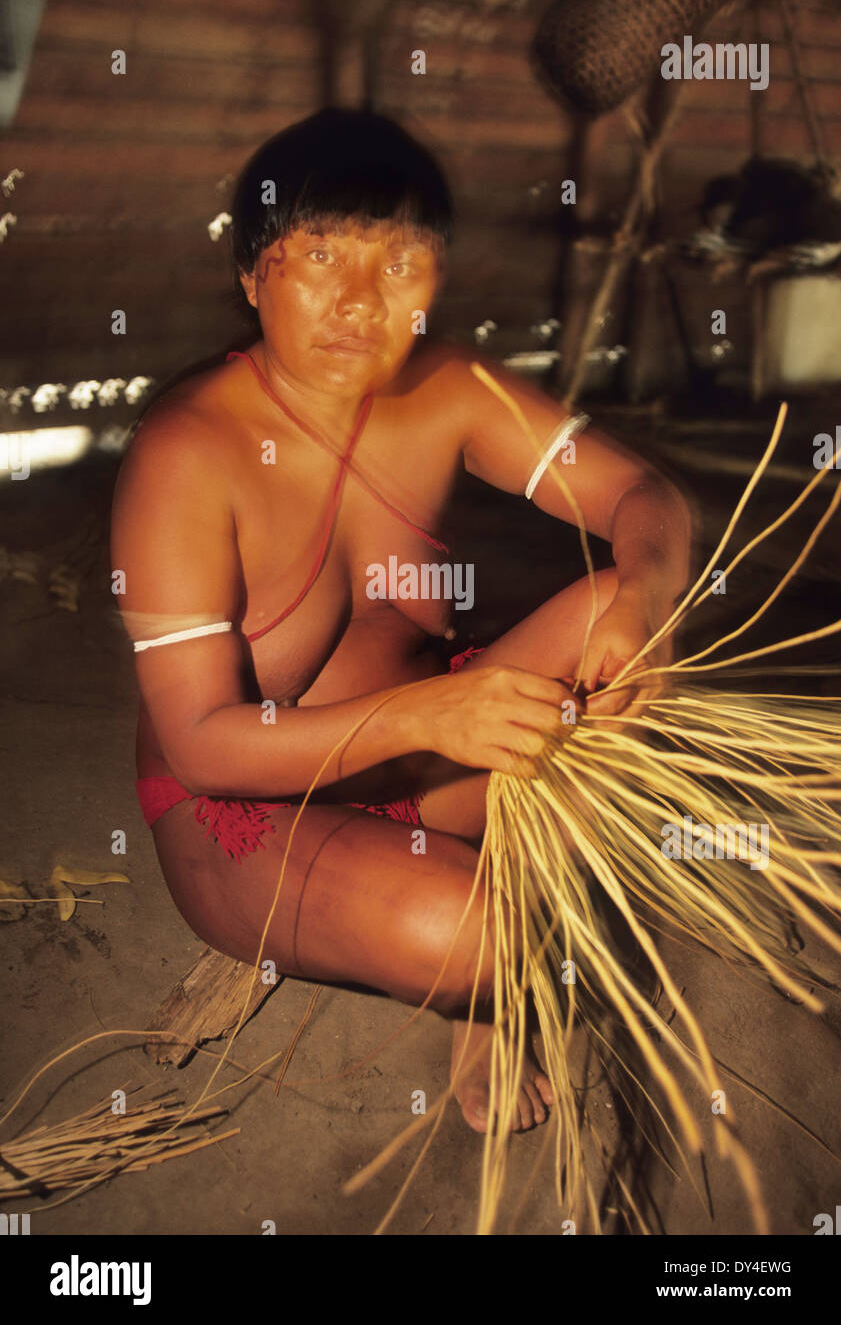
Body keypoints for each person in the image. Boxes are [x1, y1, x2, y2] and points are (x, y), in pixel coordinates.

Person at [110, 108, 691, 1134]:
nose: (359, 301)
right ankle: (487, 977)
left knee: (624, 613)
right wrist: (432, 715)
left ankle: (485, 938)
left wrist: (644, 587)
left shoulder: (449, 388)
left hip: (433, 760)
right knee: (485, 938)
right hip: (250, 813)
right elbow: (202, 746)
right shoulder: (186, 452)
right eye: (320, 255)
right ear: (252, 276)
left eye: (401, 262)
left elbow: (641, 498)